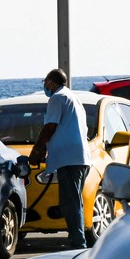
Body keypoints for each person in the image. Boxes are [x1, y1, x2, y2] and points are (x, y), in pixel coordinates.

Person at [29, 68, 91, 249]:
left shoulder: (57, 98)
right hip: (80, 158)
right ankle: (77, 239)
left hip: (69, 159)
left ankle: (77, 243)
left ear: (51, 82)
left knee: (71, 203)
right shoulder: (73, 98)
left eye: (45, 82)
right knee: (73, 202)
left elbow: (50, 126)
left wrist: (37, 150)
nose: (44, 86)